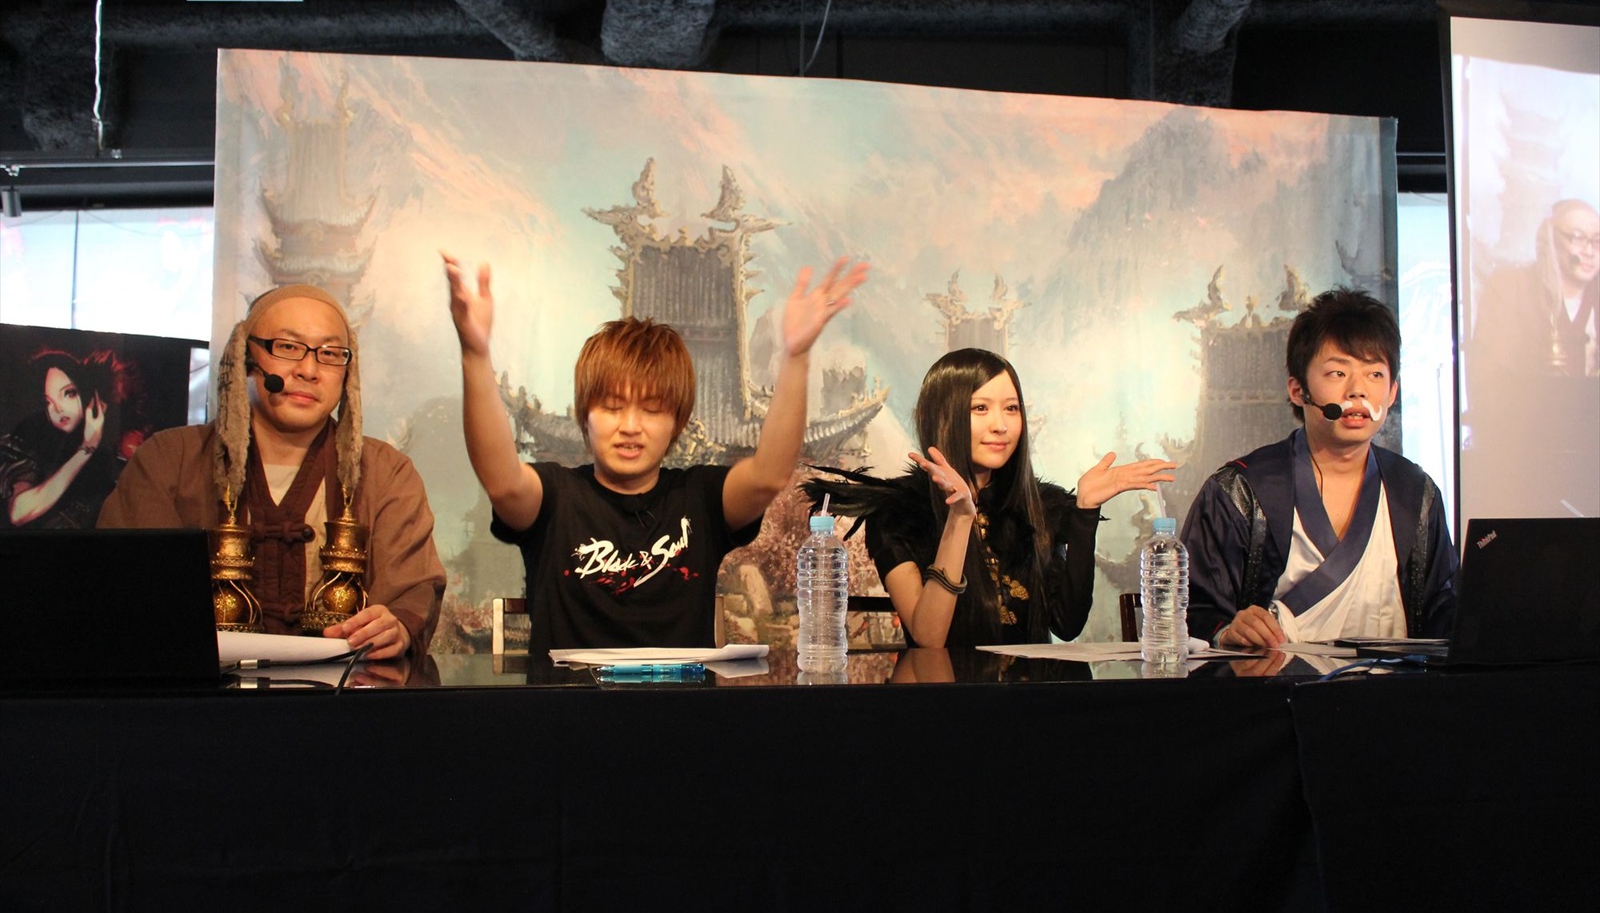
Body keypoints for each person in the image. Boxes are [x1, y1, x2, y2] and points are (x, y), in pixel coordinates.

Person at [443, 251, 868, 649]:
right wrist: (475, 354)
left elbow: (768, 476)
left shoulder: (700, 498)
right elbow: (503, 483)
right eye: (612, 407)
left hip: (681, 703)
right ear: (584, 415)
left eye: (651, 410)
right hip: (568, 703)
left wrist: (796, 356)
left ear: (677, 422)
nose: (630, 426)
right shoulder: (555, 497)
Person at [98, 284, 445, 659]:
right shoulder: (170, 459)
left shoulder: (386, 472)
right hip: (199, 688)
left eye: (330, 354)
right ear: (245, 356)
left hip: (343, 689)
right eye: (288, 347)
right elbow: (127, 586)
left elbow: (412, 592)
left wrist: (396, 627)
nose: (309, 370)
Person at [804, 348, 1176, 649]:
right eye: (980, 408)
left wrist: (1084, 513)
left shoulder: (1038, 506)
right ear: (944, 417)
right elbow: (929, 637)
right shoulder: (898, 513)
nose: (1001, 425)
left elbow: (1067, 625)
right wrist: (960, 518)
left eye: (1011, 408)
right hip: (946, 706)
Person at [1182, 287, 1457, 649]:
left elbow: (1444, 611)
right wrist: (1227, 631)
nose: (1357, 391)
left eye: (1375, 375)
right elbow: (1191, 612)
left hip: (1393, 684)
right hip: (1277, 684)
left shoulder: (1415, 492)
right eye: (1337, 373)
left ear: (1392, 392)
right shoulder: (1239, 491)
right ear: (1298, 391)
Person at [2, 348, 138, 530]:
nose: (58, 408)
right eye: (48, 402)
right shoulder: (27, 442)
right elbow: (19, 512)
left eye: (68, 393)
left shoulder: (110, 451)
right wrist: (86, 448)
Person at [1472, 198, 1600, 379]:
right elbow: (1490, 375)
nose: (1589, 252)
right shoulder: (1512, 290)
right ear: (1551, 239)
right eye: (1578, 238)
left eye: (1597, 241)